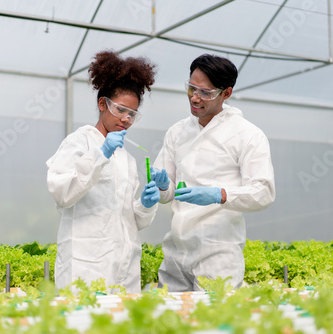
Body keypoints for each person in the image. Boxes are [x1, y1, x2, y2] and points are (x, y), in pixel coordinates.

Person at [151, 54, 276, 291]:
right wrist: (161, 186)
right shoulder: (177, 132)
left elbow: (264, 192)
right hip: (176, 252)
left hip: (218, 253)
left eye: (205, 93)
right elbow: (167, 193)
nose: (195, 98)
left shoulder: (247, 134)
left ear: (226, 93)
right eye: (191, 88)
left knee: (212, 325)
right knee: (170, 324)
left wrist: (219, 195)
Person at [46, 50, 159, 294]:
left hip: (124, 267)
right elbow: (62, 193)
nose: (126, 119)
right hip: (85, 266)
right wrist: (99, 156)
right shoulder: (79, 143)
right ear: (102, 104)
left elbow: (129, 219)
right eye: (120, 110)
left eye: (132, 114)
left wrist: (146, 204)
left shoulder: (127, 159)